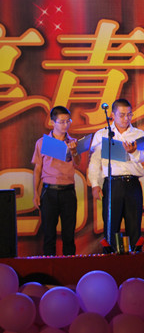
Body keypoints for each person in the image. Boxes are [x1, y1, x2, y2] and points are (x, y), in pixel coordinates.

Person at [88, 99, 144, 250]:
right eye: (122, 115)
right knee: (111, 226)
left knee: (134, 226)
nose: (126, 118)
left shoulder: (138, 134)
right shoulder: (102, 134)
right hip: (112, 184)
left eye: (129, 114)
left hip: (132, 184)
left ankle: (135, 259)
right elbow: (94, 162)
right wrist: (95, 184)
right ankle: (110, 258)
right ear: (112, 115)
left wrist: (133, 152)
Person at [32, 106, 80, 256]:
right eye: (61, 122)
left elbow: (77, 163)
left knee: (69, 236)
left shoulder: (72, 142)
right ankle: (49, 266)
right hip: (49, 191)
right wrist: (36, 193)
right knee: (49, 235)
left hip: (68, 191)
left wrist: (74, 151)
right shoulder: (42, 143)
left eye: (68, 121)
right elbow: (38, 169)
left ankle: (69, 267)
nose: (65, 125)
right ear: (52, 122)